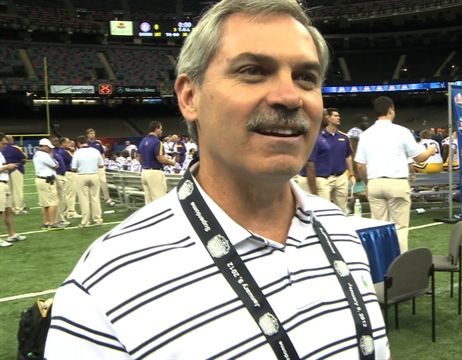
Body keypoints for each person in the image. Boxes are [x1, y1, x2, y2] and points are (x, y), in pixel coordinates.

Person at [46, 1, 390, 358]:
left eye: (306, 77)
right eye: (253, 70)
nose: (289, 97)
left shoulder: (342, 231)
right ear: (190, 97)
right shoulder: (107, 281)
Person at [355, 96, 436, 253]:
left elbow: (360, 166)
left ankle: (381, 266)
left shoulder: (365, 135)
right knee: (399, 227)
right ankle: (400, 267)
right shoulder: (402, 131)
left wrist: (368, 183)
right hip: (396, 183)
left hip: (375, 183)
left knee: (379, 228)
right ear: (391, 109)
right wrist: (430, 151)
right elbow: (419, 157)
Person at [138, 121, 177, 204]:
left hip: (144, 171)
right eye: (161, 129)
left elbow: (139, 158)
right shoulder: (157, 142)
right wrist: (172, 163)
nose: (161, 131)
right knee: (159, 200)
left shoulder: (143, 141)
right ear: (157, 129)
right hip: (155, 172)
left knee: (148, 202)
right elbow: (161, 159)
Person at [71, 135, 104, 228]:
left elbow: (73, 168)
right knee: (95, 198)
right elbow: (101, 165)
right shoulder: (95, 151)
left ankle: (85, 221)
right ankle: (98, 219)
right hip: (94, 175)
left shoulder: (77, 153)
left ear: (78, 143)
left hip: (82, 175)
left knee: (84, 199)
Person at [0, 133, 26, 247]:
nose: (5, 145)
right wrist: (6, 167)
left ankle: (11, 234)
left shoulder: (1, 153)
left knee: (8, 210)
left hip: (4, 183)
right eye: (3, 143)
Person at [33, 138, 64, 230]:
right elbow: (56, 165)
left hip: (41, 179)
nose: (50, 149)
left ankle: (46, 222)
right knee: (53, 202)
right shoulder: (44, 155)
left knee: (44, 203)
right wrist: (51, 157)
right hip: (47, 180)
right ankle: (52, 223)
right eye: (49, 147)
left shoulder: (37, 154)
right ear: (45, 146)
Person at [85, 128, 115, 206]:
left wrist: (103, 162)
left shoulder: (98, 143)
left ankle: (107, 198)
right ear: (87, 135)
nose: (93, 135)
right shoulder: (86, 143)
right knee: (93, 183)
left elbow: (102, 153)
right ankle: (95, 198)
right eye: (91, 133)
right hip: (91, 166)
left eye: (93, 133)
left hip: (100, 166)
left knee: (103, 182)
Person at [1, 135, 27, 214]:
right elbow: (24, 157)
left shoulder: (2, 150)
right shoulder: (15, 148)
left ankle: (10, 208)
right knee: (17, 190)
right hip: (16, 169)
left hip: (5, 171)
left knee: (9, 190)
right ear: (12, 140)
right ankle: (19, 208)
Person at [58, 137, 81, 219]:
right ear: (63, 143)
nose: (70, 144)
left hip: (66, 173)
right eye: (68, 142)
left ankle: (66, 211)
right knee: (71, 193)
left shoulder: (61, 151)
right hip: (70, 173)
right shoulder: (64, 152)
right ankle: (71, 212)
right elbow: (74, 159)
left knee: (66, 193)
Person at [49, 137, 70, 227]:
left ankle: (60, 218)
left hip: (62, 175)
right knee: (59, 199)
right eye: (54, 141)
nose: (57, 142)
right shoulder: (51, 153)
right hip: (57, 176)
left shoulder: (57, 151)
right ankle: (59, 219)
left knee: (62, 199)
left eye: (57, 141)